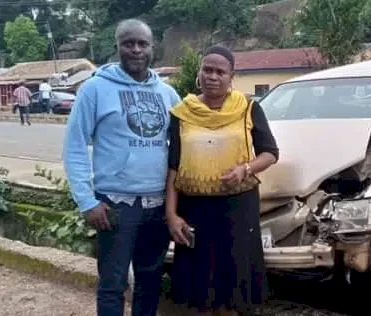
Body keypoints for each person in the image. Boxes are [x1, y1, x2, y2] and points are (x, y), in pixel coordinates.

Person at [62, 18, 181, 316]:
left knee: (150, 280)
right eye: (129, 43)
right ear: (117, 47)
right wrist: (87, 201)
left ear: (153, 47)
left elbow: (182, 148)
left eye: (143, 43)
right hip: (115, 206)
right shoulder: (95, 89)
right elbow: (74, 147)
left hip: (157, 207)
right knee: (113, 284)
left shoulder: (167, 94)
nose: (136, 50)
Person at [166, 45, 279, 315]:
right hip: (195, 210)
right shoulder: (182, 113)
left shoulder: (248, 108)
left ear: (232, 77)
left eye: (220, 72)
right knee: (200, 287)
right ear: (199, 73)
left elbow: (270, 153)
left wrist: (245, 169)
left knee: (234, 284)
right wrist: (171, 215)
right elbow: (172, 168)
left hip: (237, 209)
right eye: (207, 70)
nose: (212, 76)